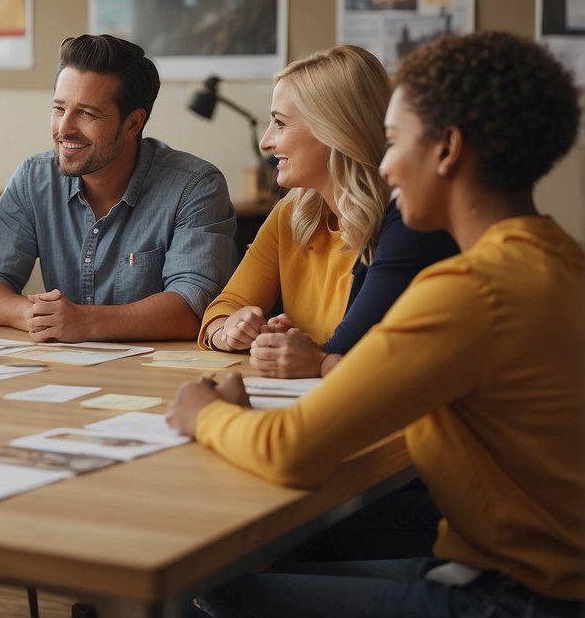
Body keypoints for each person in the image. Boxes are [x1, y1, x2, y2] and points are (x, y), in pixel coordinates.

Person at [169, 31, 584, 617]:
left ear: (447, 150)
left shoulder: (469, 290)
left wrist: (204, 412)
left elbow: (292, 450)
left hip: (520, 596)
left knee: (213, 590)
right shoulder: (558, 256)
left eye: (391, 142)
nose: (383, 165)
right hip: (516, 570)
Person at [199, 45, 458, 379]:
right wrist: (230, 330)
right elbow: (226, 305)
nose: (265, 142)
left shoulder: (405, 222)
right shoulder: (290, 212)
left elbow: (358, 355)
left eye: (279, 124)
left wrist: (301, 354)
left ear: (334, 130)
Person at [0, 34, 237, 342]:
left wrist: (85, 323)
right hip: (63, 373)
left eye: (87, 113)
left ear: (132, 124)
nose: (64, 128)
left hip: (157, 379)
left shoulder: (194, 187)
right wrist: (37, 317)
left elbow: (192, 308)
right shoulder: (34, 179)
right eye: (59, 108)